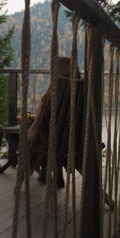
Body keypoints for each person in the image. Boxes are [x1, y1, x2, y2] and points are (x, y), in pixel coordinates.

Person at [28, 56, 80, 187]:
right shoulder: (81, 89)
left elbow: (45, 118)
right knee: (50, 137)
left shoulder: (57, 92)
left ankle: (40, 172)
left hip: (56, 141)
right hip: (75, 139)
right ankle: (53, 174)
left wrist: (35, 121)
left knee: (37, 137)